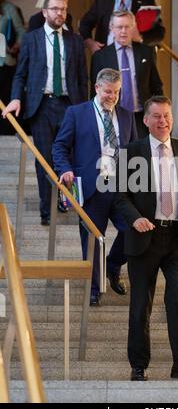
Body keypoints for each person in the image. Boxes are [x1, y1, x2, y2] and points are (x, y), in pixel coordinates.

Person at [116, 95, 178, 381]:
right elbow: (120, 196)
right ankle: (139, 365)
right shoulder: (130, 152)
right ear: (146, 120)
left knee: (177, 296)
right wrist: (135, 218)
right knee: (141, 302)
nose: (163, 121)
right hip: (145, 237)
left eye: (167, 115)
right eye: (156, 116)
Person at [52, 68, 137, 305]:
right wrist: (64, 169)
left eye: (117, 92)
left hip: (121, 186)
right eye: (108, 91)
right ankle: (95, 287)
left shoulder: (127, 115)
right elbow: (59, 146)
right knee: (92, 238)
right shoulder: (76, 113)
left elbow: (135, 150)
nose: (112, 97)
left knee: (133, 230)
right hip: (91, 186)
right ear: (97, 88)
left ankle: (113, 265)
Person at [3, 0, 87, 226]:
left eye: (63, 9)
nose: (59, 13)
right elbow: (20, 74)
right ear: (45, 12)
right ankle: (46, 211)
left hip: (70, 106)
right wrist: (16, 99)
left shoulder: (76, 41)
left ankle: (69, 202)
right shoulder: (32, 39)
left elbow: (82, 78)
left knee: (72, 157)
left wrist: (84, 108)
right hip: (41, 106)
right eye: (54, 9)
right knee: (44, 160)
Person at [91, 10, 163, 137]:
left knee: (142, 156)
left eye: (127, 27)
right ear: (112, 29)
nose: (123, 31)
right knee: (122, 156)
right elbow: (94, 92)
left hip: (142, 118)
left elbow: (156, 85)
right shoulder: (100, 57)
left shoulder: (146, 52)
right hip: (113, 117)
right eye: (119, 27)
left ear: (133, 27)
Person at [0, 0, 25, 135]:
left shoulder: (10, 9)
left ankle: (6, 133)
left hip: (5, 63)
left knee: (6, 99)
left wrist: (17, 45)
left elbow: (22, 31)